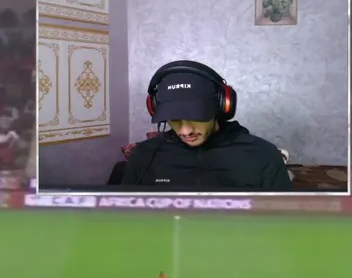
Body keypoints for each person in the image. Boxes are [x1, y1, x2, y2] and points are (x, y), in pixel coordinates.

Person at [123, 61, 292, 191]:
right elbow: (124, 218)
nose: (185, 131)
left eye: (196, 117)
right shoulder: (143, 156)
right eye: (174, 119)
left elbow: (283, 221)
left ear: (222, 105)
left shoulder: (264, 156)